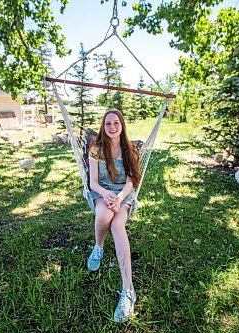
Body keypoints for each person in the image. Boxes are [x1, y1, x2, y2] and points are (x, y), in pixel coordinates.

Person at [87, 109, 141, 323]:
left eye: (116, 123)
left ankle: (128, 290)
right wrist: (105, 194)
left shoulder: (131, 149)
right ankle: (98, 247)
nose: (112, 127)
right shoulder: (96, 149)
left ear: (122, 125)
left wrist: (119, 197)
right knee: (102, 216)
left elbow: (130, 182)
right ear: (103, 125)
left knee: (118, 226)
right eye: (108, 123)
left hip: (123, 195)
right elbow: (92, 182)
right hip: (101, 192)